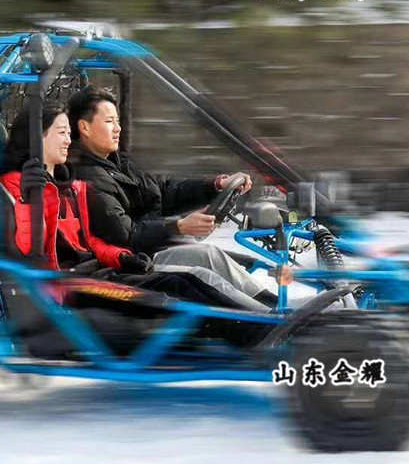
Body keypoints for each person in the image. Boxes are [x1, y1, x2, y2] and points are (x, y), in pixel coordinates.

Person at [67, 86, 278, 310]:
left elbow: (165, 190)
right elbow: (126, 235)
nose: (118, 128)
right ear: (84, 127)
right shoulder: (87, 177)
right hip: (128, 265)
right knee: (202, 276)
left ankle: (274, 307)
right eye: (109, 122)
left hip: (148, 254)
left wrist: (215, 185)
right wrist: (177, 227)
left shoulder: (120, 163)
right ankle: (265, 324)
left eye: (118, 121)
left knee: (209, 254)